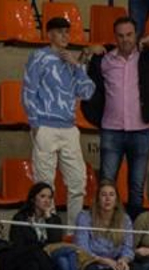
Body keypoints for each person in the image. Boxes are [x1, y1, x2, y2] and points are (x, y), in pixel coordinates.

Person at [83, 18, 149, 219]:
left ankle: (132, 232)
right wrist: (87, 50)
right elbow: (79, 67)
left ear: (135, 35)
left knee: (136, 187)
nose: (125, 39)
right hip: (111, 129)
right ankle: (103, 226)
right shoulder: (104, 60)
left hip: (141, 130)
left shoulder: (148, 57)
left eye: (129, 34)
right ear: (115, 37)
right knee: (106, 183)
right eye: (120, 35)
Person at [22, 16, 94, 223]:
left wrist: (77, 65)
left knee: (77, 182)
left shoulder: (72, 61)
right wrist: (35, 123)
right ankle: (48, 227)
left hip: (69, 127)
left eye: (67, 32)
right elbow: (29, 90)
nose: (65, 36)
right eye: (60, 31)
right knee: (44, 184)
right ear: (50, 34)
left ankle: (74, 231)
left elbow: (87, 92)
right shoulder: (39, 56)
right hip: (45, 125)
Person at [76, 182, 149, 270]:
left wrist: (124, 260)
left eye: (111, 195)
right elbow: (82, 249)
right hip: (93, 264)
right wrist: (104, 260)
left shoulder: (124, 219)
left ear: (116, 200)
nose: (107, 199)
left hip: (114, 266)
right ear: (97, 199)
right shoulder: (84, 217)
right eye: (103, 195)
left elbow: (128, 248)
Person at [8, 182, 79, 270]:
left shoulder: (54, 219)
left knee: (68, 254)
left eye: (49, 197)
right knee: (63, 261)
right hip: (27, 257)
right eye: (42, 196)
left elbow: (55, 242)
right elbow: (18, 244)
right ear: (33, 199)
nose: (47, 200)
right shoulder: (21, 218)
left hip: (50, 255)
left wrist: (48, 219)